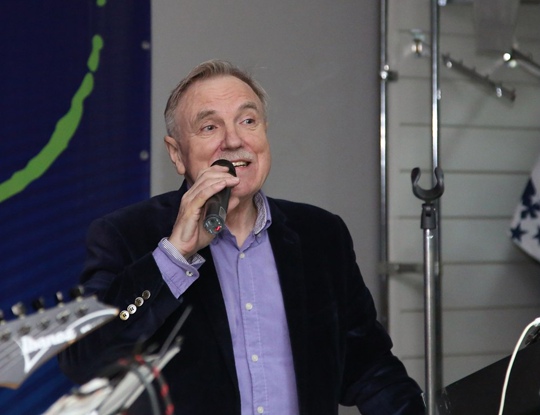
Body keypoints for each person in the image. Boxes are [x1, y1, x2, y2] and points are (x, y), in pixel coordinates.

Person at [59, 59, 425, 415]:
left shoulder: (321, 234)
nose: (234, 140)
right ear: (177, 154)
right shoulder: (126, 234)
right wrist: (174, 255)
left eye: (248, 121)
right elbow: (85, 361)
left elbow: (370, 368)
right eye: (209, 127)